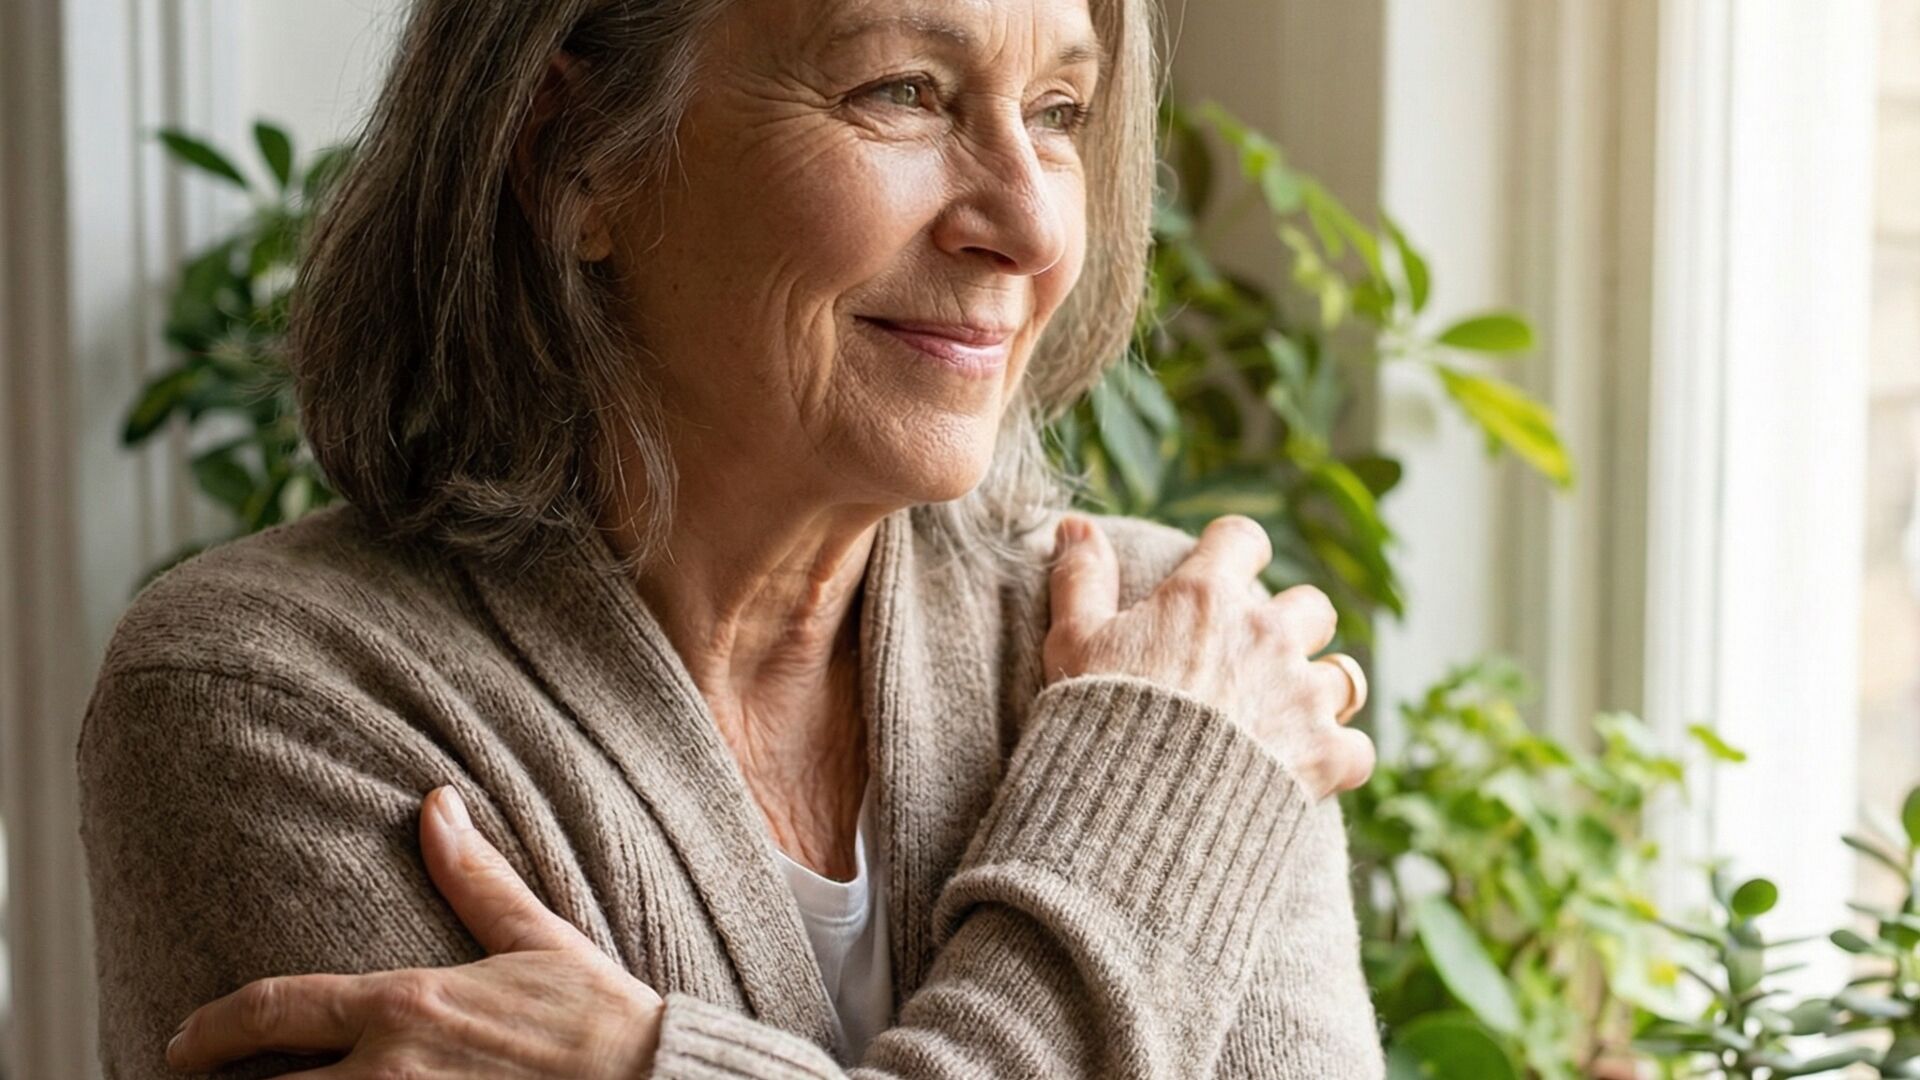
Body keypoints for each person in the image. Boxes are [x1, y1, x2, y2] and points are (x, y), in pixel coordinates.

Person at [76, 0, 1385, 1074]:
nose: (1035, 226)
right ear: (573, 152)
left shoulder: (1171, 649)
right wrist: (1160, 822)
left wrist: (650, 1058)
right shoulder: (266, 703)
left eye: (1058, 115)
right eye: (901, 94)